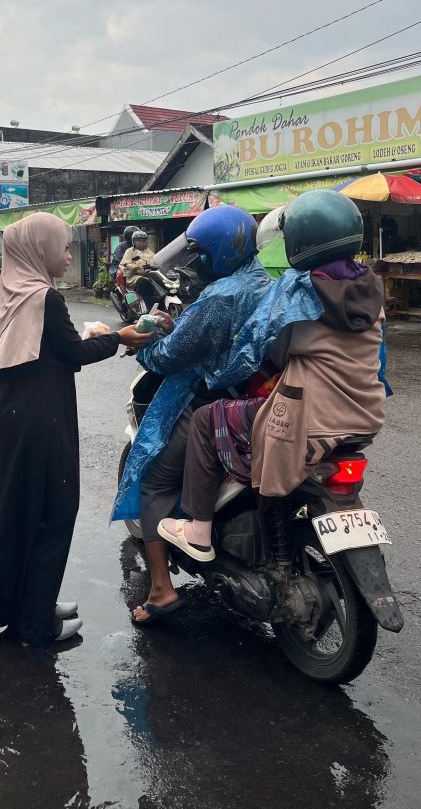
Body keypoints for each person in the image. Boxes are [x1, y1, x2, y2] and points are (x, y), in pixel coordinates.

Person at [0, 213, 153, 648]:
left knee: (13, 513)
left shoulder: (13, 288)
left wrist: (108, 338)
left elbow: (44, 349)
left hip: (12, 417)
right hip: (38, 422)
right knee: (51, 510)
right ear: (39, 249)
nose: (68, 255)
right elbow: (70, 352)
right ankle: (34, 626)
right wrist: (121, 337)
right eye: (63, 247)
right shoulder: (44, 297)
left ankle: (29, 604)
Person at [158, 191, 387, 559]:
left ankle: (198, 529)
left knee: (206, 419)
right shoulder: (369, 286)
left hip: (310, 417)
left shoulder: (300, 292)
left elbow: (265, 350)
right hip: (365, 412)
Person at [109, 205, 282, 624]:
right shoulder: (267, 282)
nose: (196, 261)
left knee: (151, 477)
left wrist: (145, 342)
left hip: (212, 401)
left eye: (201, 253)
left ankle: (161, 592)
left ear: (220, 252)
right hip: (262, 398)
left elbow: (171, 356)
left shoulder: (222, 296)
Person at [119, 229, 156, 307]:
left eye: (143, 240)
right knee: (142, 281)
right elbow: (126, 263)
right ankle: (141, 304)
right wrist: (135, 266)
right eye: (139, 240)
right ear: (134, 241)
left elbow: (156, 260)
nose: (141, 242)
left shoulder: (149, 251)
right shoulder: (130, 251)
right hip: (134, 275)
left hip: (150, 274)